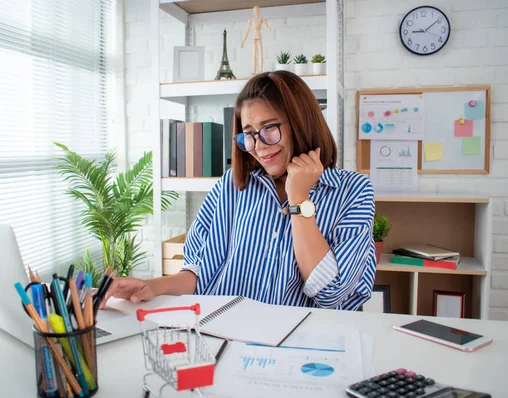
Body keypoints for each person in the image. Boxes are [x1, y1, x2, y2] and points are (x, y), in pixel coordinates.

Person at [103, 71, 376, 311]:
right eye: (249, 133)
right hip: (224, 337)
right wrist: (152, 286)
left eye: (269, 128)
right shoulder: (231, 186)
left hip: (302, 351)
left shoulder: (352, 191)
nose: (259, 145)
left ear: (301, 123)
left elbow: (331, 294)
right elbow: (200, 274)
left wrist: (299, 199)